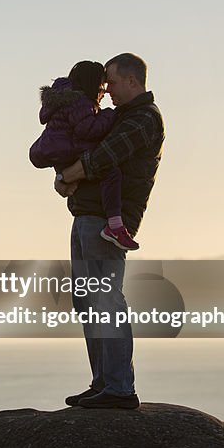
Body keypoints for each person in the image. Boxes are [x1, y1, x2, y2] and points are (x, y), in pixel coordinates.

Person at [54, 52, 164, 410]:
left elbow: (104, 155)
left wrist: (69, 174)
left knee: (105, 301)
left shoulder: (144, 119)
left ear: (133, 81)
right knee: (88, 303)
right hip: (87, 216)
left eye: (112, 83)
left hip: (106, 223)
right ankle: (104, 382)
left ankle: (118, 387)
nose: (107, 90)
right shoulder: (121, 117)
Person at [29, 60, 139, 251]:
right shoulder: (81, 103)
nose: (104, 93)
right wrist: (110, 115)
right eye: (102, 87)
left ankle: (113, 224)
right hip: (69, 153)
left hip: (58, 153)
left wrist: (64, 176)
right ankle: (115, 225)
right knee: (110, 172)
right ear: (91, 85)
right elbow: (88, 130)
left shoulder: (65, 100)